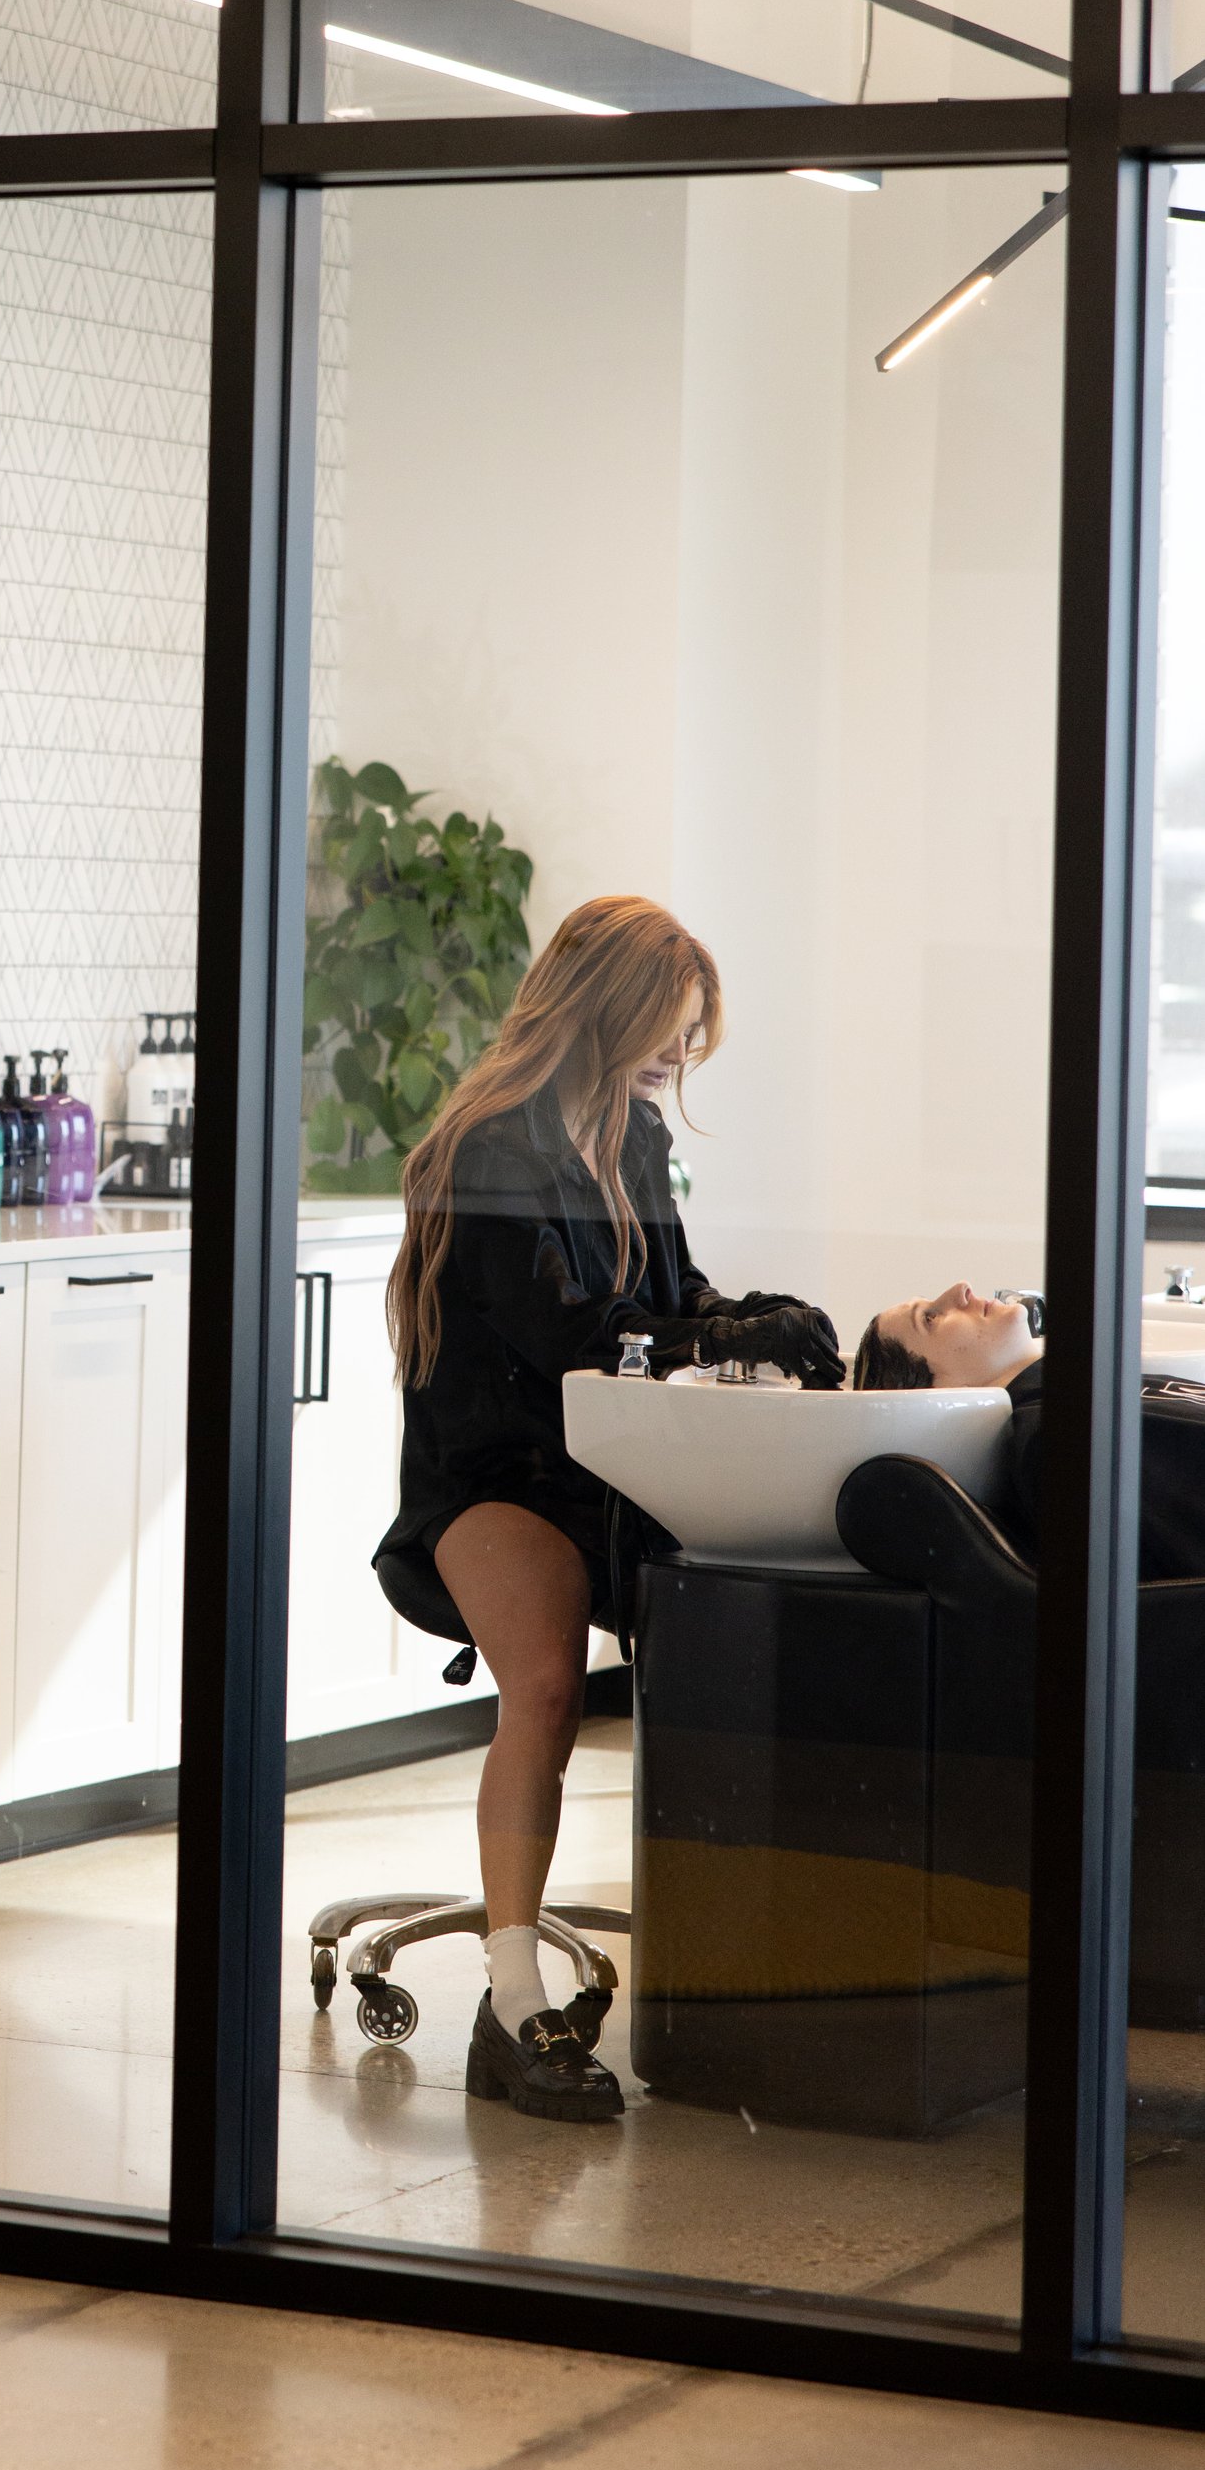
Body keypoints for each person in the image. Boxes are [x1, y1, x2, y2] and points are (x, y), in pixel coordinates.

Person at [377, 896, 842, 2124]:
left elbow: (672, 1293)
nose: (678, 1061)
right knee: (540, 1685)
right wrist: (731, 1334)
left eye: (689, 1040)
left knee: (733, 1630)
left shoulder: (626, 1133)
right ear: (607, 1010)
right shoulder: (489, 1145)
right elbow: (570, 1339)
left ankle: (749, 1963)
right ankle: (512, 1993)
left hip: (610, 1469)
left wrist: (755, 1312)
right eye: (668, 1033)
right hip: (494, 1477)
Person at [852, 1284, 1205, 1578]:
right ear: (940, 1388)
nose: (960, 1290)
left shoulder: (1093, 1393)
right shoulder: (1058, 1439)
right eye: (930, 1319)